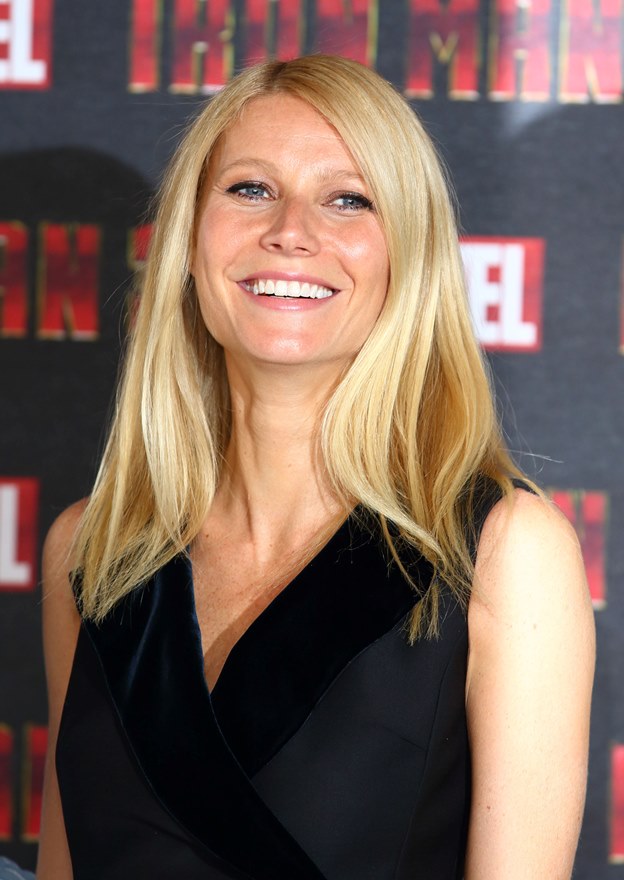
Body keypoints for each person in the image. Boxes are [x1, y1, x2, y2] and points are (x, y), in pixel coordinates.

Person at [37, 55, 595, 879]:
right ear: (188, 240)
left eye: (348, 199)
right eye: (250, 188)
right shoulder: (90, 550)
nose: (291, 231)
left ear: (407, 256)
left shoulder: (503, 554)